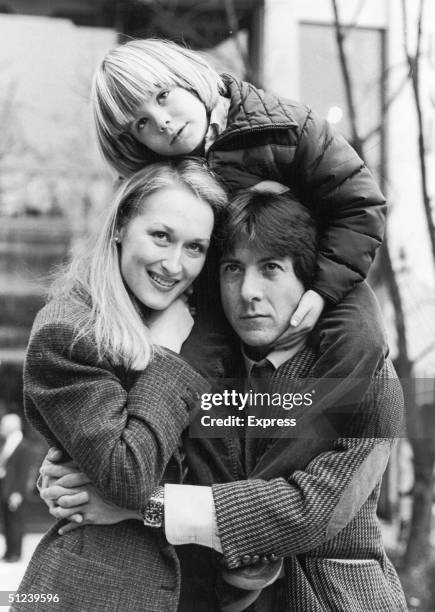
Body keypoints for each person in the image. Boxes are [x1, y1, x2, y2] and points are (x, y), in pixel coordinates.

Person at [43, 190, 407, 612]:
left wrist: (143, 505)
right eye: (234, 269)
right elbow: (131, 454)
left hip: (329, 597)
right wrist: (70, 471)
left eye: (271, 268)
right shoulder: (198, 367)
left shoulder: (360, 373)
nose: (248, 291)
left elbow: (308, 511)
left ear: (308, 282)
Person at [91, 36, 388, 430]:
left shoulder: (286, 126)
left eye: (162, 95)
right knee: (180, 377)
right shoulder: (160, 178)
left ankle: (283, 476)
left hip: (317, 275)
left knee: (361, 338)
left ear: (188, 77)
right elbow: (121, 258)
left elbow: (359, 203)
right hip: (217, 296)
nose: (161, 122)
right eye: (141, 123)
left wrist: (323, 290)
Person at [12, 159, 227, 612]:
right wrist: (166, 354)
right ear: (120, 226)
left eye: (195, 248)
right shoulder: (68, 333)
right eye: (161, 236)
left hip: (195, 586)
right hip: (89, 591)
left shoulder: (204, 324)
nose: (174, 264)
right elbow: (128, 475)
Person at [0, 413, 32, 562]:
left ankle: (16, 553)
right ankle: (9, 551)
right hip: (5, 489)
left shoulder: (23, 445)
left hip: (14, 491)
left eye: (3, 425)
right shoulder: (8, 443)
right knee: (7, 521)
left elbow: (23, 472)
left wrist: (17, 492)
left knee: (16, 522)